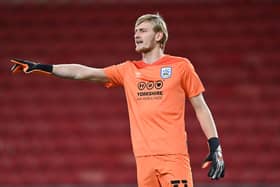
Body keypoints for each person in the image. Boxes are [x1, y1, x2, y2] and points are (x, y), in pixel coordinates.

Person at [10, 13, 225, 187]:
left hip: (173, 157)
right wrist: (43, 67)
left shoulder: (181, 66)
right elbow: (82, 73)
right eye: (135, 31)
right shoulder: (127, 70)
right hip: (144, 160)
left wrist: (214, 146)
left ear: (159, 36)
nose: (136, 35)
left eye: (143, 30)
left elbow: (201, 107)